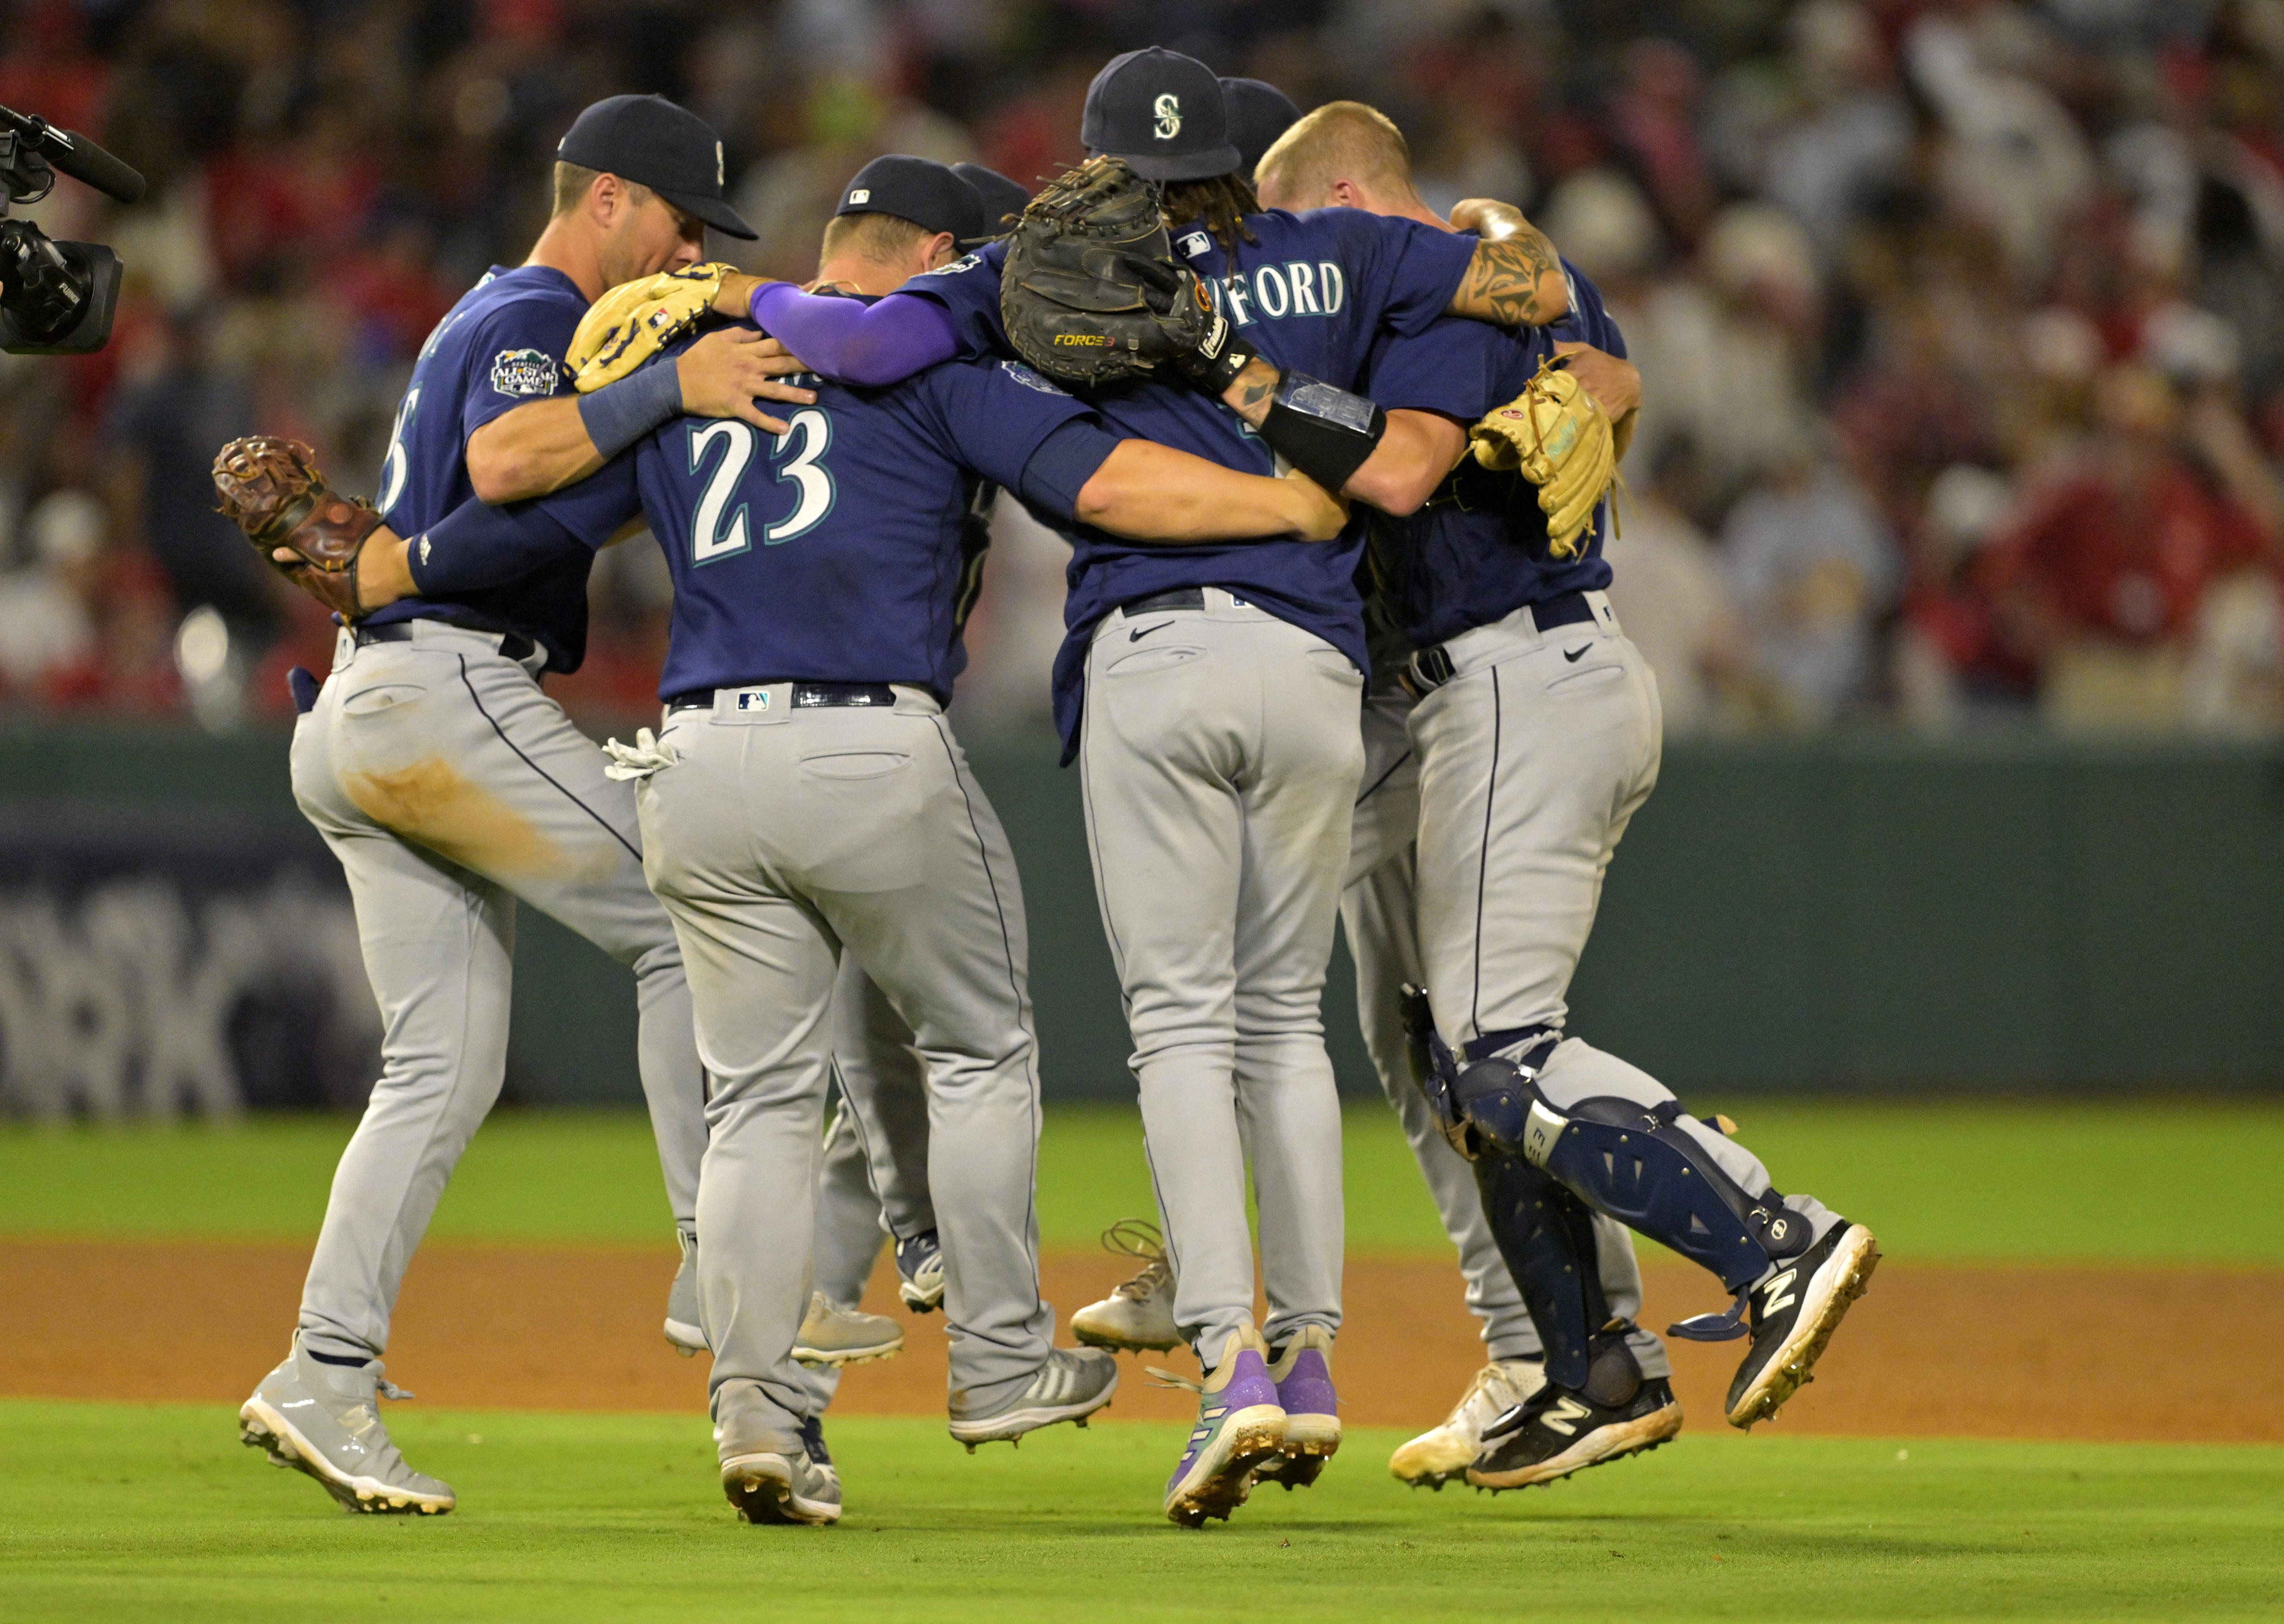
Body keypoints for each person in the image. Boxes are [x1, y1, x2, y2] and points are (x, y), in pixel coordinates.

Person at [338, 152, 1354, 1526]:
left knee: (759, 1098)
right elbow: (1113, 490)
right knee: (979, 1046)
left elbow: (526, 498)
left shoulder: (712, 365)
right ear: (935, 249)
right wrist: (1286, 500)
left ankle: (753, 1406)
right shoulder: (936, 370)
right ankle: (997, 1359)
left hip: (694, 758)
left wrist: (391, 564)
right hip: (870, 745)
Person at [655, 47, 1578, 1526]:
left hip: (1157, 655)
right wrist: (1511, 252)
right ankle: (1315, 1358)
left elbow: (878, 352)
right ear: (1235, 154)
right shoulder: (1336, 245)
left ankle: (1230, 1374)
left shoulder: (1027, 264)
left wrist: (733, 297)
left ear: (1097, 164)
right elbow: (1521, 281)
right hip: (1319, 670)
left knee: (1182, 1033)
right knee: (1283, 1028)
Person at [1259, 100, 1882, 1492]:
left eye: (1302, 226)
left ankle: (1779, 1236)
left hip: (1517, 676)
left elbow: (1508, 267)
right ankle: (1581, 1364)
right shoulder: (1443, 292)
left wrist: (1263, 388)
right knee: (1439, 1049)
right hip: (1478, 692)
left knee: (1499, 1050)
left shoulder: (1468, 253)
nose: (1294, 264)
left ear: (1352, 193)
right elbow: (1577, 346)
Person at [235, 94, 810, 1518]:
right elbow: (507, 467)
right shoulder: (535, 314)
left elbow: (532, 500)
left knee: (439, 1069)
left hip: (378, 709)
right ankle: (711, 1254)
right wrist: (673, 394)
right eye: (684, 221)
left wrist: (640, 451)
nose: (692, 251)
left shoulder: (499, 318)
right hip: (440, 693)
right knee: (692, 910)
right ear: (610, 196)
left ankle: (325, 1372)